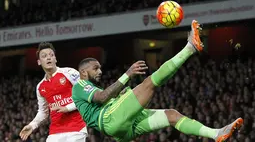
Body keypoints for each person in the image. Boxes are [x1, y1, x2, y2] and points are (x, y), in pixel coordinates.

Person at [72, 20, 243, 142]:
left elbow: (101, 101)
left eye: (100, 67)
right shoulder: (80, 86)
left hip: (120, 129)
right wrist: (127, 74)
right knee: (149, 83)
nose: (100, 71)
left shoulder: (90, 87)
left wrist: (118, 97)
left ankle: (216, 133)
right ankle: (190, 47)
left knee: (172, 115)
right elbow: (102, 98)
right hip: (110, 119)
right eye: (96, 68)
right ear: (83, 72)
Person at [20, 42, 87, 142]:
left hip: (76, 129)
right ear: (39, 62)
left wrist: (67, 108)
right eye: (44, 56)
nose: (48, 58)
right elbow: (43, 112)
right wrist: (32, 125)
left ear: (55, 59)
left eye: (51, 55)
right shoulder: (40, 87)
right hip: (55, 132)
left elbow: (86, 95)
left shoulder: (69, 73)